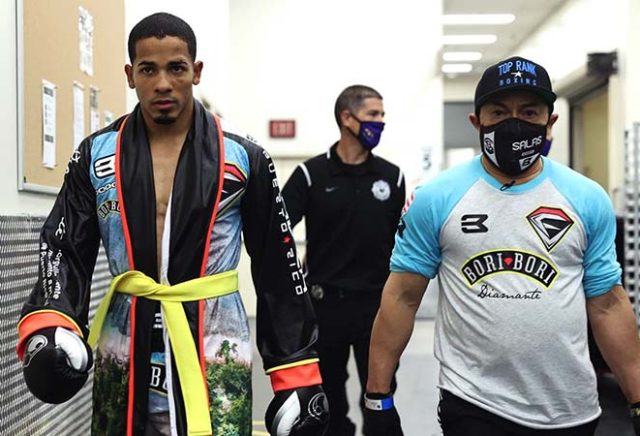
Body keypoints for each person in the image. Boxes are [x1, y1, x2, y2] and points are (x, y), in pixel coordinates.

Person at [16, 12, 329, 436]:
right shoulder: (96, 155)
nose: (163, 83)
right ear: (130, 75)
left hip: (214, 340)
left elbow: (277, 263)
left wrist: (295, 370)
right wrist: (52, 319)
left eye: (176, 68)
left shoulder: (244, 157)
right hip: (125, 340)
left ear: (196, 71)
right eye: (148, 69)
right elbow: (64, 244)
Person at [363, 56, 640, 436]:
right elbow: (402, 298)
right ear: (476, 122)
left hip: (569, 407)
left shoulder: (586, 198)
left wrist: (637, 398)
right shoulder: (437, 197)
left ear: (550, 122)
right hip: (473, 402)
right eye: (498, 112)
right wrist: (377, 398)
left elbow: (607, 304)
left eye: (529, 112)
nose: (514, 123)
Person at [282, 85, 405, 436]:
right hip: (325, 307)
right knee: (329, 399)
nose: (380, 122)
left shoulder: (392, 176)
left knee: (380, 394)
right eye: (373, 115)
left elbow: (404, 240)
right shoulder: (311, 174)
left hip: (377, 308)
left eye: (382, 115)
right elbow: (276, 231)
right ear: (347, 118)